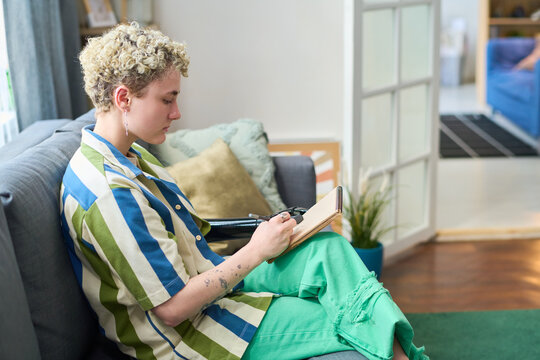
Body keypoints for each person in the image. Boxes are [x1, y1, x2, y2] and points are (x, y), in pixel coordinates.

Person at [60, 22, 427, 360]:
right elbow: (171, 309)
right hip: (189, 334)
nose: (177, 113)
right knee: (344, 319)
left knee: (327, 249)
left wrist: (271, 230)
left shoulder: (129, 154)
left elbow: (195, 233)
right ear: (124, 98)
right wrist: (256, 251)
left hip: (210, 278)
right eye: (167, 99)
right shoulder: (110, 194)